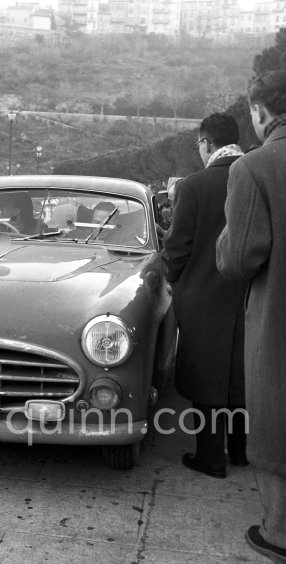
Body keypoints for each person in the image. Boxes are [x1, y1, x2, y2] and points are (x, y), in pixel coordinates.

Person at [216, 71, 286, 562]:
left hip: (278, 323)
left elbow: (238, 260)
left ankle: (279, 533)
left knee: (276, 422)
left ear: (260, 113)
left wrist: (225, 236)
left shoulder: (255, 168)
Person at [162, 112, 248, 479]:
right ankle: (241, 452)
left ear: (207, 143)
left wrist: (171, 277)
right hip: (249, 296)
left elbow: (177, 248)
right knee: (240, 374)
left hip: (203, 296)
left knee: (205, 377)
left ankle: (210, 457)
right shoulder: (256, 174)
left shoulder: (194, 186)